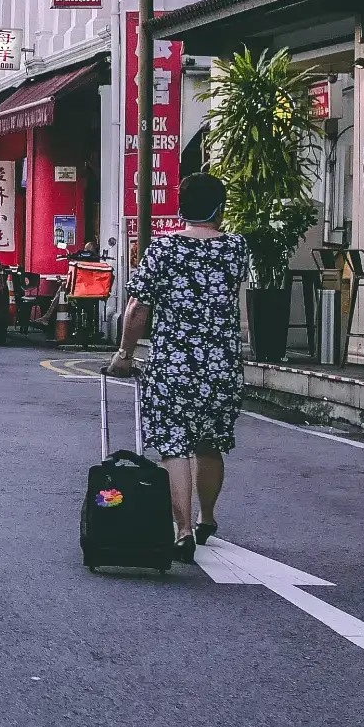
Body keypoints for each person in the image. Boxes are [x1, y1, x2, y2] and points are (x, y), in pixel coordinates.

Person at [109, 172, 251, 562]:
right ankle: (207, 518)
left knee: (174, 446)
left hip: (174, 364)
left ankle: (183, 529)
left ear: (180, 208)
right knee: (210, 442)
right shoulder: (236, 248)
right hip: (221, 365)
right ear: (220, 208)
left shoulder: (163, 250)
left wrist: (124, 353)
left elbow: (138, 307)